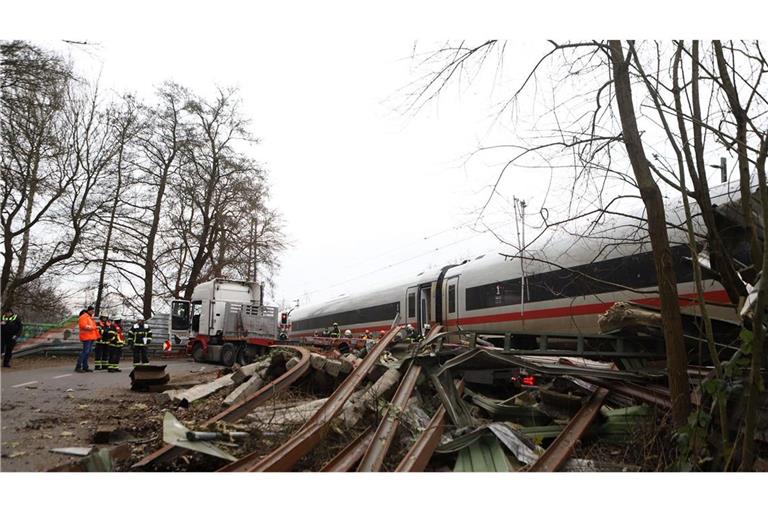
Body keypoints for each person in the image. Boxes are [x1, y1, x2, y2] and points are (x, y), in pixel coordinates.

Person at [76, 306, 99, 372]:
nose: (93, 312)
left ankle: (85, 367)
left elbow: (91, 327)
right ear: (88, 310)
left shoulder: (89, 317)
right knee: (85, 352)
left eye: (93, 311)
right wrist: (94, 327)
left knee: (87, 352)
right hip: (86, 337)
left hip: (90, 337)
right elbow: (84, 326)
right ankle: (78, 366)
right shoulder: (84, 317)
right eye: (92, 311)